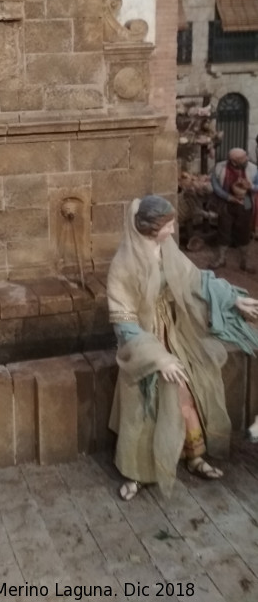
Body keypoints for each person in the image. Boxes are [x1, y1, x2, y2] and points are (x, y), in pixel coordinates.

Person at [107, 195, 258, 501]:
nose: (174, 227)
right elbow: (124, 322)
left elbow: (196, 280)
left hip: (173, 334)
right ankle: (137, 472)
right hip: (143, 345)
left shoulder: (168, 251)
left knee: (187, 394)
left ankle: (194, 455)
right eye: (169, 224)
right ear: (152, 228)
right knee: (143, 407)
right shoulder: (123, 265)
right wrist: (158, 358)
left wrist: (233, 299)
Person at [210, 147, 258, 272]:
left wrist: (251, 186)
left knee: (244, 231)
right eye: (242, 158)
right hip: (226, 202)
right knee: (223, 230)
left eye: (245, 156)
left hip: (246, 202)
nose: (246, 158)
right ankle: (221, 259)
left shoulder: (253, 169)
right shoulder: (220, 168)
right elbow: (215, 186)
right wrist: (228, 197)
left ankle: (245, 261)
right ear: (233, 161)